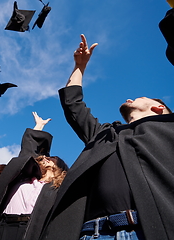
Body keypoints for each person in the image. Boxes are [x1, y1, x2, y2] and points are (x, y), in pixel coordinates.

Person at [39, 34, 174, 240]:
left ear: (158, 107)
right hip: (94, 234)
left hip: (150, 232)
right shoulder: (106, 135)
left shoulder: (170, 129)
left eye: (139, 98)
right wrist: (79, 67)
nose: (129, 98)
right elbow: (73, 105)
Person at [0, 112, 68, 240]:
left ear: (59, 167)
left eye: (51, 158)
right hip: (0, 226)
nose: (46, 158)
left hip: (27, 231)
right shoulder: (26, 177)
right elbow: (27, 152)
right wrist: (39, 126)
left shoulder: (54, 189)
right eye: (45, 157)